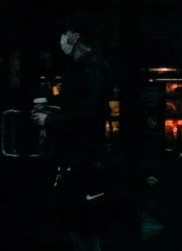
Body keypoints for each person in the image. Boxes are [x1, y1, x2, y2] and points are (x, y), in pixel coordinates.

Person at [53, 17, 112, 251]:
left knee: (80, 216)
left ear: (75, 36)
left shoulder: (89, 68)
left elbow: (86, 112)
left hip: (83, 153)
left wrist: (53, 119)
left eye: (65, 33)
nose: (62, 39)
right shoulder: (86, 66)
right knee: (79, 215)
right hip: (80, 152)